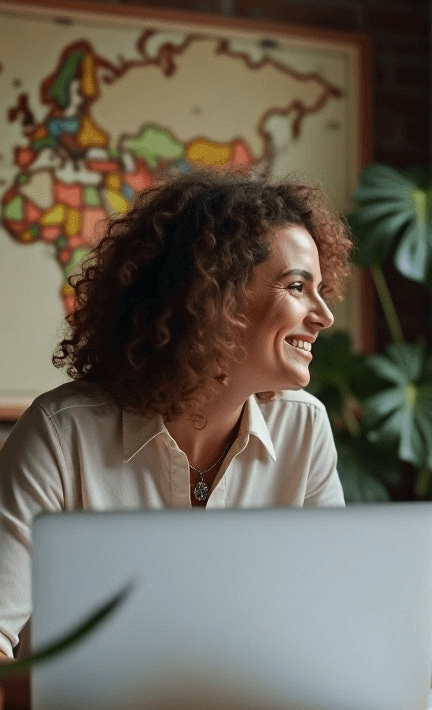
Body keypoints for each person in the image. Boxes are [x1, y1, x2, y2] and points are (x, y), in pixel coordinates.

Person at [0, 169, 351, 661]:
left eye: (319, 289)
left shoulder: (304, 428)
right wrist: (68, 694)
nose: (324, 315)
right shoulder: (61, 435)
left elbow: (333, 623)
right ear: (215, 297)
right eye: (296, 286)